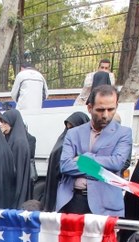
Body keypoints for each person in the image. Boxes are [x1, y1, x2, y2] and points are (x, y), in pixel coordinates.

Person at [56, 85, 132, 215]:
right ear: (90, 108)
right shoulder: (73, 133)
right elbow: (65, 166)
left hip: (105, 204)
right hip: (73, 201)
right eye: (100, 110)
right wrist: (101, 173)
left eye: (111, 109)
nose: (106, 115)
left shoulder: (124, 133)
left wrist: (86, 158)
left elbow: (117, 163)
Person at [43, 111, 89, 211]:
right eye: (68, 128)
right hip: (66, 190)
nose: (70, 131)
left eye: (73, 128)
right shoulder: (64, 142)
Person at [0, 108, 35, 207]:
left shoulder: (19, 142)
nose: (2, 124)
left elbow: (17, 171)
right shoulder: (12, 139)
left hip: (15, 190)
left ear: (12, 123)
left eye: (5, 122)